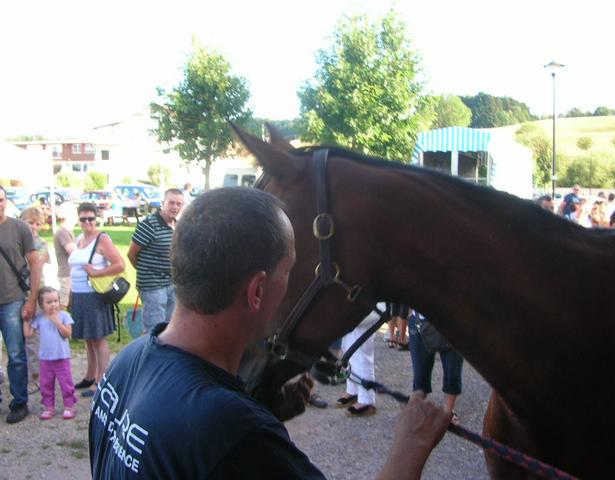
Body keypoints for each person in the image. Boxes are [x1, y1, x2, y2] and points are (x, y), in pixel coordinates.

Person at [89, 188, 452, 479]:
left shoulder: (128, 362)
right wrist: (411, 445)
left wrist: (262, 410)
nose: (292, 285)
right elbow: (218, 441)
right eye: (290, 271)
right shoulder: (234, 430)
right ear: (258, 291)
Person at [69, 202, 125, 398]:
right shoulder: (78, 240)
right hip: (78, 294)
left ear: (96, 218)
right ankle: (89, 375)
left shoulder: (102, 239)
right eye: (83, 218)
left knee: (99, 338)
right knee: (88, 338)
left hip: (94, 295)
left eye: (90, 218)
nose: (87, 222)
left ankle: (101, 380)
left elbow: (119, 264)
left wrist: (97, 272)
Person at [0, 186, 43, 423]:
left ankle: (19, 402)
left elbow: (35, 263)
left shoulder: (19, 228)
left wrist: (32, 299)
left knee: (16, 354)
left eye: (1, 200)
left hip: (12, 299)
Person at [127, 188, 184, 333]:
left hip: (173, 284)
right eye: (171, 203)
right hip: (153, 286)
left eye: (179, 204)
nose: (175, 207)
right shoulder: (149, 225)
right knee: (154, 331)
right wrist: (146, 272)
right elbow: (131, 254)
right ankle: (150, 355)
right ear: (163, 203)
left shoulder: (178, 225)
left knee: (171, 329)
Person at [22, 286, 77, 420]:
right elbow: (28, 334)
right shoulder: (40, 318)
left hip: (62, 358)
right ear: (41, 305)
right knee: (46, 384)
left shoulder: (64, 316)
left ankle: (69, 406)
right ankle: (48, 407)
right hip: (46, 359)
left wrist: (57, 322)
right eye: (49, 302)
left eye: (55, 301)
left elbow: (67, 333)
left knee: (66, 383)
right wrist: (26, 321)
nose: (53, 305)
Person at [408, 309, 464, 424]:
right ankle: (416, 410)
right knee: (420, 374)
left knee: (452, 372)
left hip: (452, 323)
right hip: (419, 322)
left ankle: (448, 412)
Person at [19, 207, 51, 394]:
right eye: (30, 223)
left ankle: (37, 376)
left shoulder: (40, 243)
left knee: (32, 337)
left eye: (37, 223)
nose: (34, 227)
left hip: (35, 293)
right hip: (17, 292)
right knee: (20, 337)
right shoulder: (18, 241)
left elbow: (38, 262)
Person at [336, 304, 383, 416]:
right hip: (353, 308)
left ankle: (366, 400)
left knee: (360, 354)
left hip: (366, 308)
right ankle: (353, 391)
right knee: (348, 350)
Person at [53, 203, 77, 310]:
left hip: (71, 273)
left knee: (72, 304)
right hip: (67, 274)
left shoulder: (67, 231)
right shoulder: (63, 232)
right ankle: (57, 325)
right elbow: (73, 251)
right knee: (62, 304)